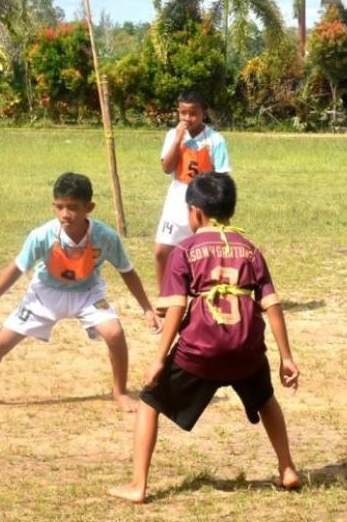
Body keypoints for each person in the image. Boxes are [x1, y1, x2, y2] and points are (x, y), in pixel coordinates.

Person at [109, 172, 301, 503]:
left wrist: (158, 359)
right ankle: (288, 469)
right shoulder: (251, 250)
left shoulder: (184, 250)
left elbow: (177, 309)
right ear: (231, 211)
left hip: (200, 352)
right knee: (266, 400)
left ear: (195, 212)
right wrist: (286, 357)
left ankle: (138, 485)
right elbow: (272, 304)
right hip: (246, 351)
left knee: (149, 402)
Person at [0, 172, 161, 412]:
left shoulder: (106, 236)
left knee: (114, 332)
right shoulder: (41, 236)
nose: (65, 214)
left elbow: (127, 271)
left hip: (88, 293)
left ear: (88, 208)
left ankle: (120, 391)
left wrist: (147, 308)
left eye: (72, 207)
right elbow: (16, 269)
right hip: (44, 295)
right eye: (59, 207)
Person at [155, 90, 230, 290]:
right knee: (162, 251)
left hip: (203, 199)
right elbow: (166, 168)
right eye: (183, 113)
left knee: (204, 251)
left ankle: (204, 291)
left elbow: (222, 176)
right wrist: (178, 139)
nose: (188, 118)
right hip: (177, 199)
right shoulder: (173, 135)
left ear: (203, 113)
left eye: (193, 113)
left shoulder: (216, 140)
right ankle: (165, 296)